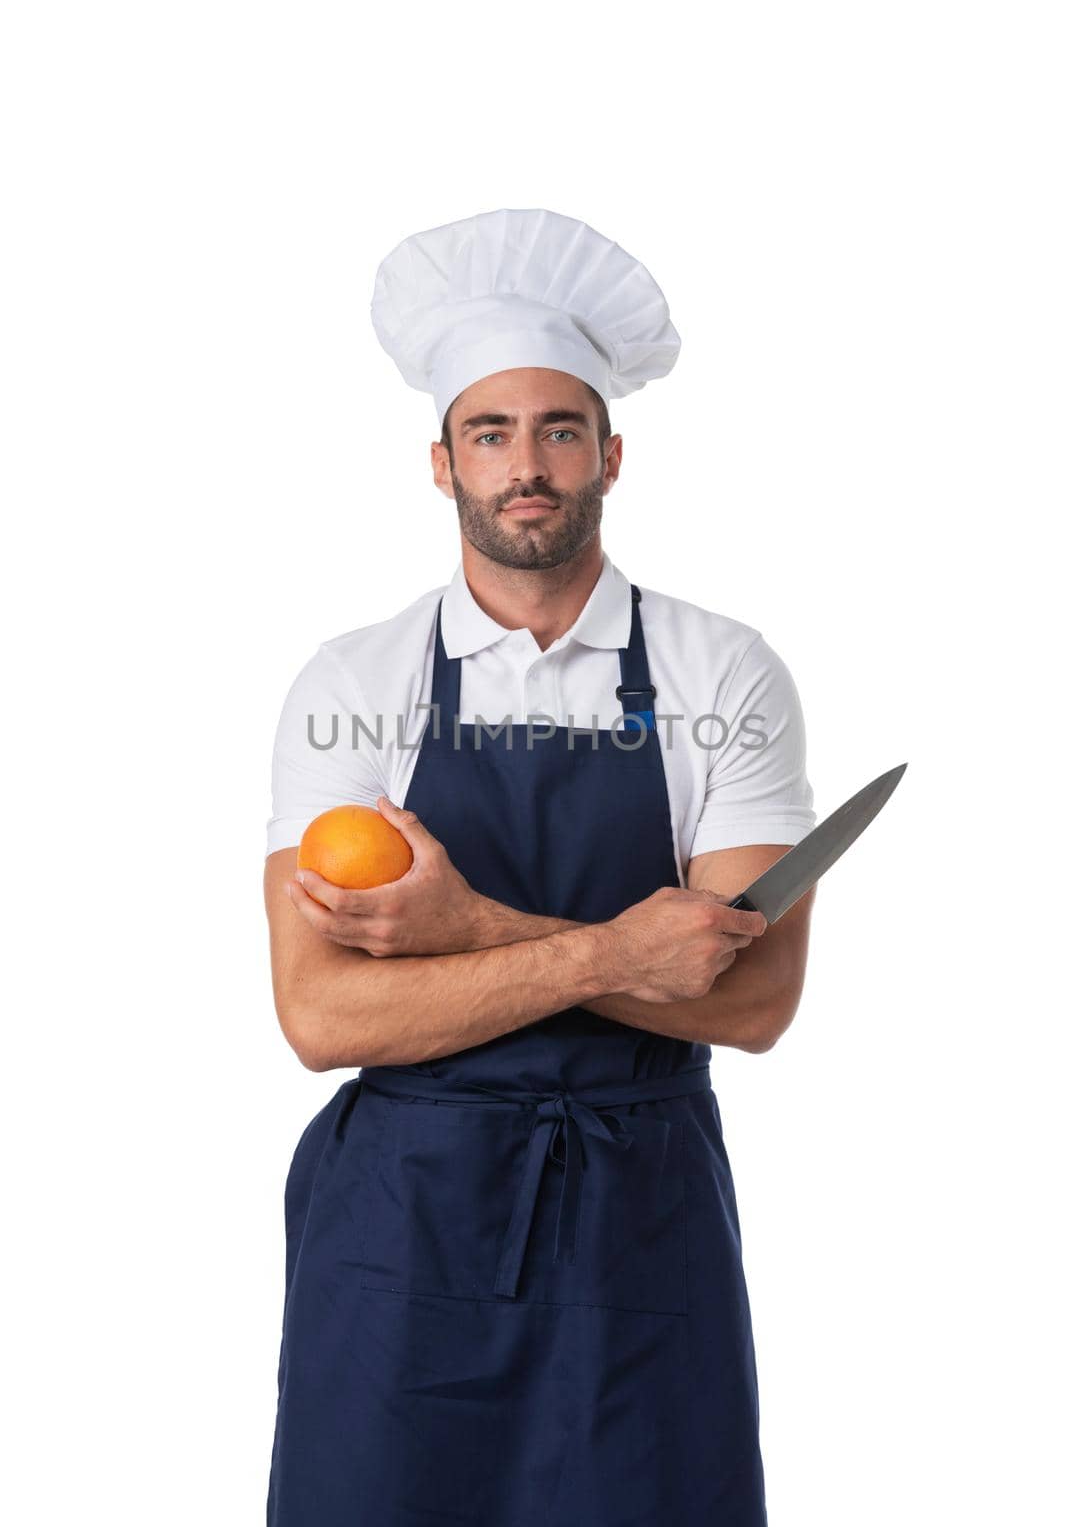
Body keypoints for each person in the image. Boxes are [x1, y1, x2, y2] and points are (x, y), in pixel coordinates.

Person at [263, 207, 818, 1525]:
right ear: (441, 461)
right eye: (492, 432)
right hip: (402, 1229)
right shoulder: (355, 684)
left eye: (558, 429)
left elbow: (746, 1000)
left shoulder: (718, 674)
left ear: (610, 453)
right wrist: (621, 953)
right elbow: (323, 1013)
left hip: (640, 1220)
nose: (528, 465)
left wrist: (463, 931)